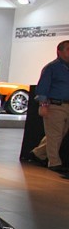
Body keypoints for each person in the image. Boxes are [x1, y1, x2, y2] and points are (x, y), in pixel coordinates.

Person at [35, 39, 69, 176]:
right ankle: (54, 163)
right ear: (59, 51)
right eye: (68, 49)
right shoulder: (51, 68)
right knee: (55, 135)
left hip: (67, 105)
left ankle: (38, 153)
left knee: (59, 134)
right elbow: (42, 88)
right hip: (55, 105)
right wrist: (43, 105)